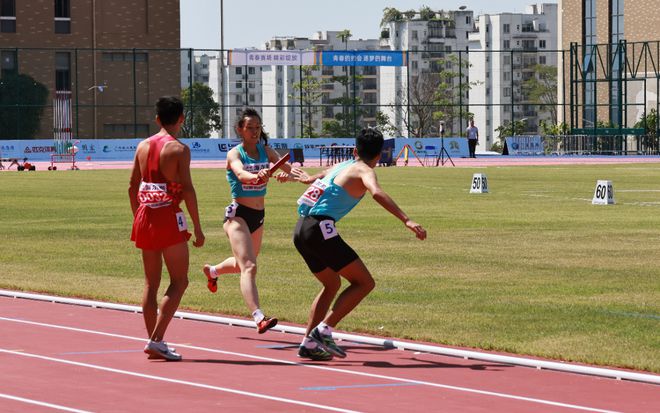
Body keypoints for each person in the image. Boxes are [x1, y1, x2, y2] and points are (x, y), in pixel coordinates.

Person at [293, 127, 427, 361]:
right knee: (364, 282)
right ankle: (323, 331)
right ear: (379, 155)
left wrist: (308, 178)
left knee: (332, 284)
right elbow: (376, 193)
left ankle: (308, 344)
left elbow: (324, 172)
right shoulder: (365, 170)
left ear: (355, 149)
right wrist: (406, 219)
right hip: (318, 229)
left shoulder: (343, 165)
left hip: (301, 229)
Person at [203, 108, 306, 334]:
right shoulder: (235, 154)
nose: (254, 131)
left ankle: (213, 272)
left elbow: (291, 172)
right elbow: (241, 175)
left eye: (258, 127)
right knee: (249, 266)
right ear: (240, 129)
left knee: (244, 262)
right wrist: (256, 176)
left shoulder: (267, 151)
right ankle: (259, 317)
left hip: (258, 217)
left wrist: (293, 177)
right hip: (238, 215)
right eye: (250, 128)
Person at [129, 96, 205, 361]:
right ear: (182, 119)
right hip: (168, 217)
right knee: (180, 280)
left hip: (144, 216)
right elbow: (187, 188)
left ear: (157, 119)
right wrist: (197, 226)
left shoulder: (142, 146)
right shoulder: (179, 149)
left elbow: (132, 186)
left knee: (151, 283)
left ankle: (155, 342)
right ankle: (157, 339)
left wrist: (137, 216)